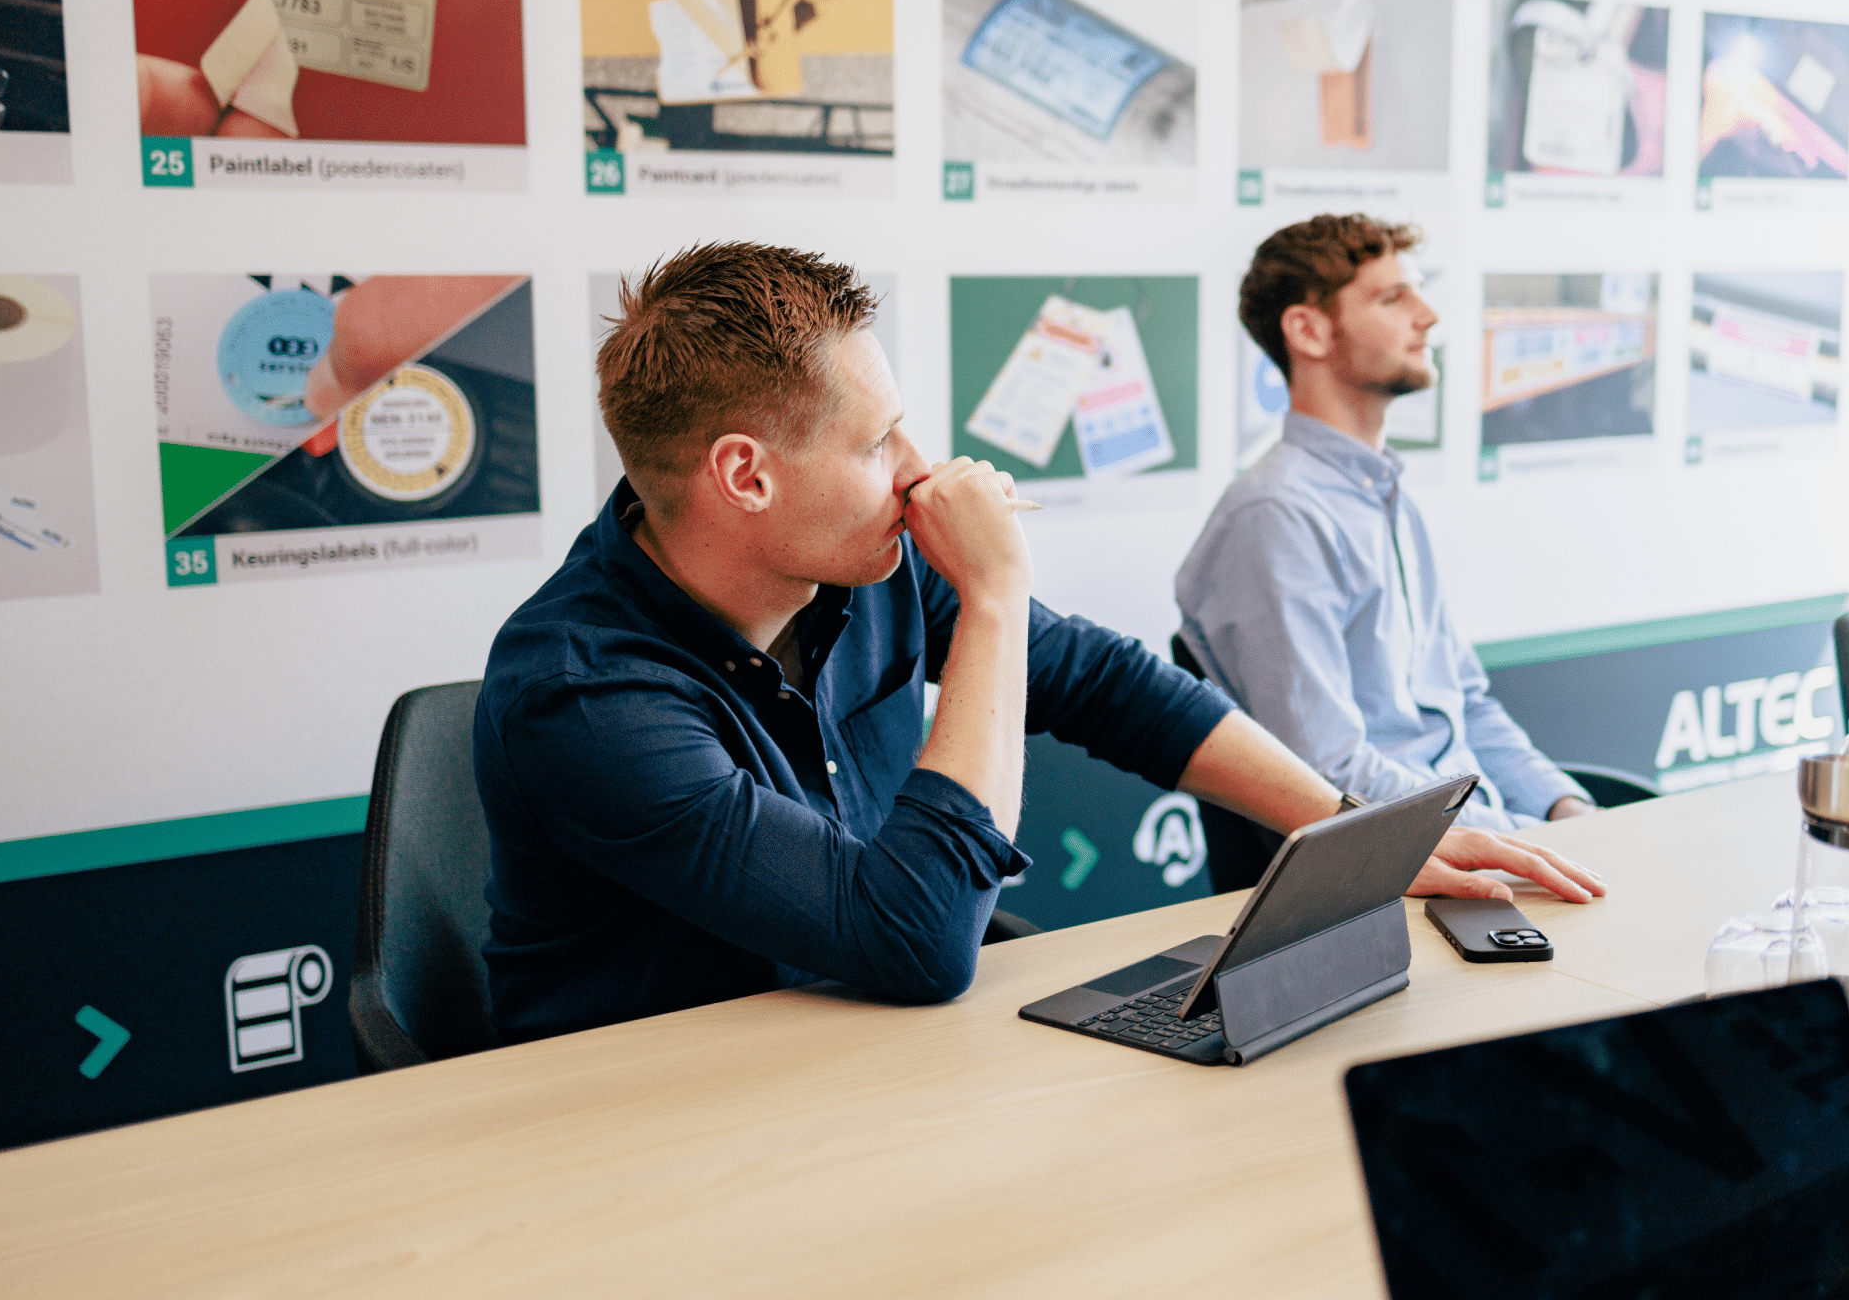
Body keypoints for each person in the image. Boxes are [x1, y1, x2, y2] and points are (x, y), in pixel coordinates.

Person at [476, 242, 1604, 1043]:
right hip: (648, 1120)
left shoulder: (859, 560)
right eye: (879, 442)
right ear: (745, 475)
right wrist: (999, 598)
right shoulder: (582, 697)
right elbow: (913, 939)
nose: (922, 464)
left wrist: (1351, 831)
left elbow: (1109, 688)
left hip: (860, 1049)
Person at [1177, 215, 1596, 837]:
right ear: (1308, 331)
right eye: (1392, 297)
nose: (1426, 315)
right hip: (1391, 875)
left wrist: (1566, 811)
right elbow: (1330, 773)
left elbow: (1467, 707)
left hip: (1470, 840)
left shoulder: (1386, 496)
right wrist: (1517, 837)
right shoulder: (1274, 519)